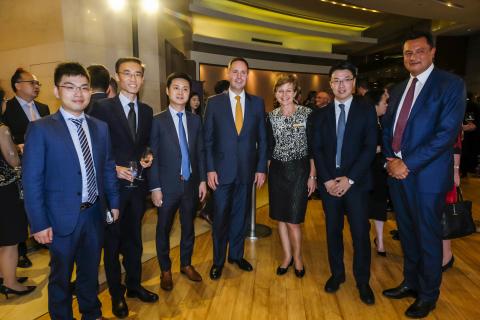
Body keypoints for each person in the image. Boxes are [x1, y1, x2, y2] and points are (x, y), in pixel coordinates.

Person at [22, 62, 120, 320]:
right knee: (61, 280)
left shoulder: (100, 127)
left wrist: (114, 203)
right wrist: (39, 223)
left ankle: (92, 313)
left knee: (89, 274)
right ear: (56, 91)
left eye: (84, 87)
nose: (78, 93)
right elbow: (32, 180)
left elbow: (108, 168)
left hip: (94, 215)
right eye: (70, 87)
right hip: (59, 220)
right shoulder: (41, 129)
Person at [382, 31, 465, 318]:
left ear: (432, 52)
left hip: (427, 177)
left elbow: (446, 133)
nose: (412, 57)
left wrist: (408, 163)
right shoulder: (398, 88)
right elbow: (388, 128)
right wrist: (390, 160)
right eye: (407, 53)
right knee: (407, 233)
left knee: (428, 236)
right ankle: (410, 282)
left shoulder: (451, 85)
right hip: (397, 174)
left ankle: (428, 295)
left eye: (418, 51)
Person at [89, 57, 157, 319]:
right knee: (112, 243)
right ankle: (116, 295)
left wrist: (148, 155)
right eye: (127, 73)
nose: (133, 79)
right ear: (117, 77)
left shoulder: (148, 111)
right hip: (113, 189)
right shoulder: (102, 108)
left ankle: (134, 286)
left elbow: (146, 144)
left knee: (135, 241)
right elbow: (93, 148)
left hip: (137, 188)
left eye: (138, 74)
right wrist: (113, 168)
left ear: (142, 78)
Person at [311, 61, 377, 305]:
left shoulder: (366, 110)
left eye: (346, 79)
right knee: (332, 231)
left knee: (360, 233)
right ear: (330, 84)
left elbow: (370, 148)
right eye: (336, 80)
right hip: (329, 185)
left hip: (356, 184)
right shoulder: (320, 115)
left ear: (354, 82)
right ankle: (337, 274)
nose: (341, 84)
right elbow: (316, 149)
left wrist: (349, 179)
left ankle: (363, 281)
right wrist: (327, 179)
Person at [204, 57, 267, 280]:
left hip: (246, 172)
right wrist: (210, 169)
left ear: (247, 76)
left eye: (244, 72)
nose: (239, 76)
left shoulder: (258, 103)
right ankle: (218, 260)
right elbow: (208, 140)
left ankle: (237, 255)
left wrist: (261, 168)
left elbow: (263, 139)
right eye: (236, 72)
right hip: (221, 173)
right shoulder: (214, 102)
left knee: (240, 217)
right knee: (220, 217)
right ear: (228, 73)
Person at [149, 72, 207, 291]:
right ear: (167, 91)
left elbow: (200, 152)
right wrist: (155, 188)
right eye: (176, 88)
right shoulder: (157, 121)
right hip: (166, 187)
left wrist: (202, 181)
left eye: (185, 88)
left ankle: (186, 264)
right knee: (163, 229)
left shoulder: (195, 120)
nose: (181, 92)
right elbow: (152, 157)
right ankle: (165, 269)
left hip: (191, 184)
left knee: (188, 228)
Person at [267, 74, 316, 278]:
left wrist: (313, 175)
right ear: (275, 94)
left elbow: (314, 148)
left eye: (289, 90)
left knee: (294, 220)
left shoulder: (308, 114)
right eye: (280, 91)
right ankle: (286, 257)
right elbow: (269, 148)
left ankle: (298, 258)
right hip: (277, 171)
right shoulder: (271, 116)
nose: (284, 94)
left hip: (300, 171)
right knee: (280, 217)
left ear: (296, 93)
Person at [2, 68, 50, 268]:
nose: (37, 87)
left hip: (46, 165)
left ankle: (48, 238)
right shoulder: (8, 108)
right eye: (32, 83)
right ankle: (20, 252)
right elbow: (6, 139)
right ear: (17, 85)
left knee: (45, 201)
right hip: (19, 169)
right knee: (20, 210)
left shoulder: (44, 108)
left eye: (38, 83)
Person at [0, 100, 36, 298]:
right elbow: (12, 159)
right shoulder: (2, 129)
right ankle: (10, 283)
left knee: (1, 237)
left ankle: (3, 275)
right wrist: (20, 149)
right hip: (6, 190)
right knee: (10, 240)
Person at [364, 89, 389, 256]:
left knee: (378, 204)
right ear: (376, 104)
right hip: (367, 169)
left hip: (378, 169)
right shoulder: (367, 122)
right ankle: (374, 240)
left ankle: (380, 241)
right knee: (368, 205)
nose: (387, 105)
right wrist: (381, 148)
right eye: (385, 102)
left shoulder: (380, 121)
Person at [442, 132, 462, 272]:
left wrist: (455, 171)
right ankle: (442, 254)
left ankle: (447, 255)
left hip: (446, 172)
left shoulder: (451, 115)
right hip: (436, 171)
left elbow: (456, 146)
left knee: (445, 216)